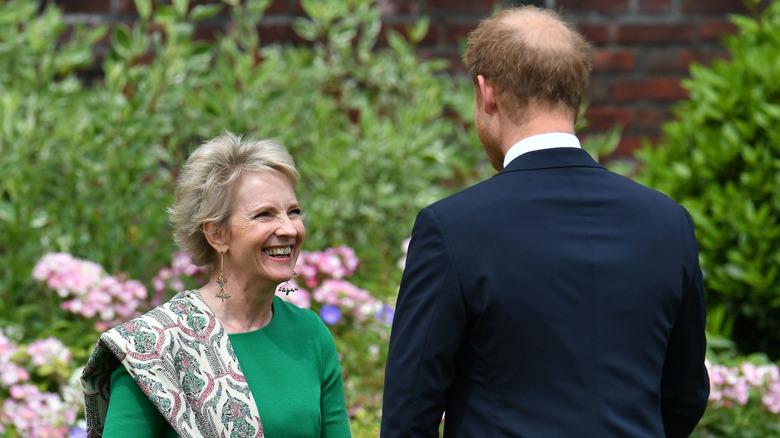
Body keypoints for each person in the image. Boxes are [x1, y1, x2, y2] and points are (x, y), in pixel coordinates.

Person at [381, 6, 709, 438]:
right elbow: (684, 396)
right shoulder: (669, 224)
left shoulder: (452, 229)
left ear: (487, 93)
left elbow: (409, 415)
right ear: (576, 91)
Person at [81, 131, 352, 437]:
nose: (289, 229)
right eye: (265, 215)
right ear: (217, 235)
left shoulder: (309, 335)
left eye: (294, 212)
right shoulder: (153, 349)